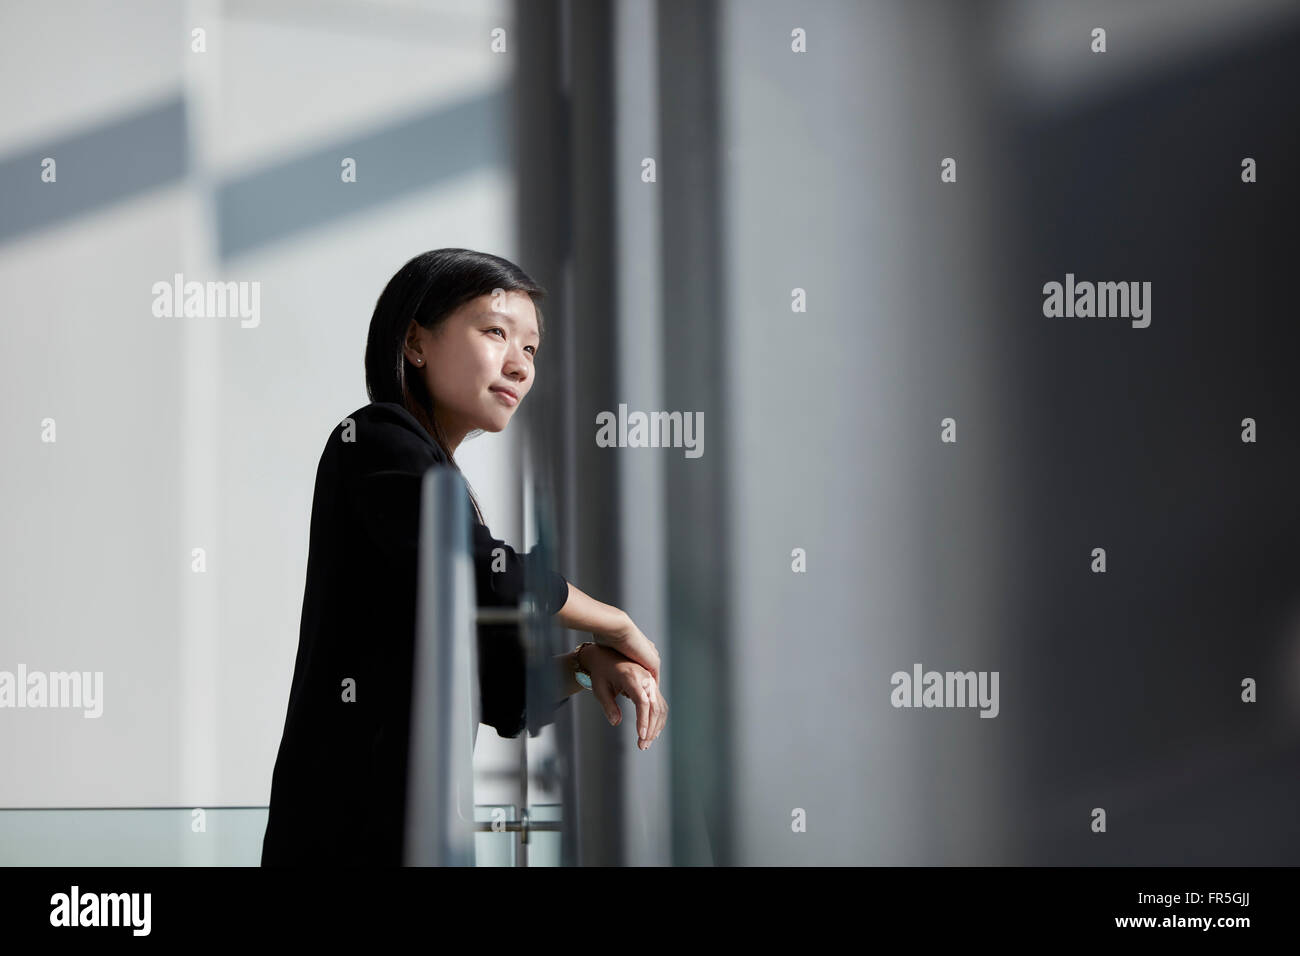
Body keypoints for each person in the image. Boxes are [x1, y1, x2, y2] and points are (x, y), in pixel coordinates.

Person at [261, 248, 666, 866]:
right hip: (345, 836)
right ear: (416, 341)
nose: (520, 364)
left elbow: (503, 693)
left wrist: (588, 665)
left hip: (416, 837)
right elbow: (491, 574)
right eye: (496, 331)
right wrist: (611, 620)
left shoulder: (443, 485)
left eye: (531, 348)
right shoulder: (373, 439)